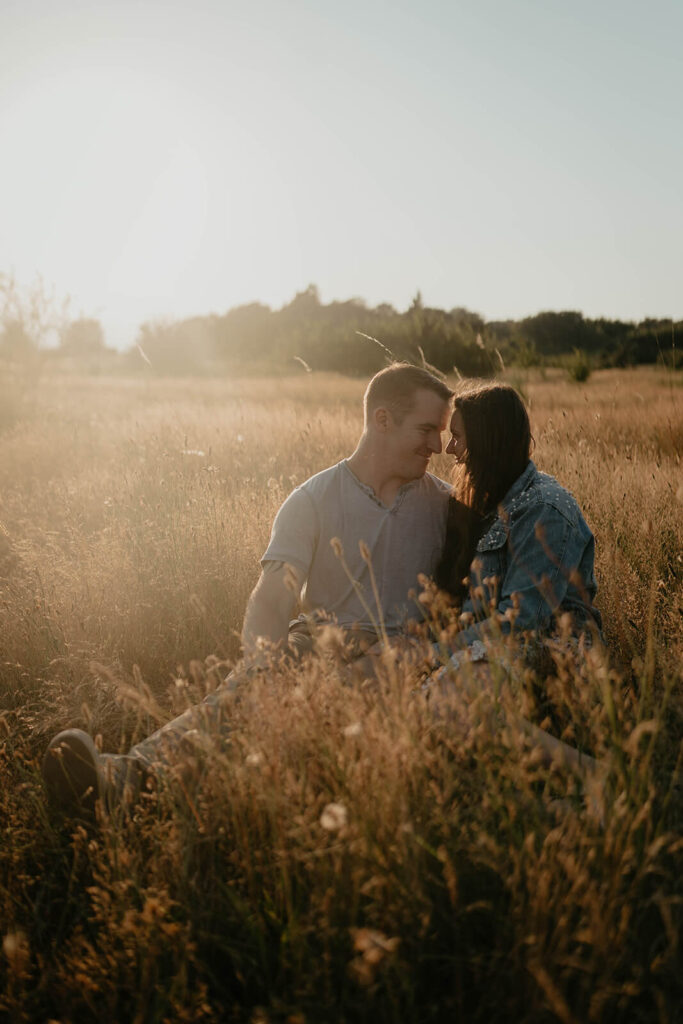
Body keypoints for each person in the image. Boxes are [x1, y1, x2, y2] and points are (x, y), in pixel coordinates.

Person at [42, 363, 454, 816]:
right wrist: (267, 673)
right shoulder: (313, 500)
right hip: (319, 639)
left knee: (334, 692)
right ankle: (126, 779)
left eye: (440, 432)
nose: (438, 445)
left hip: (405, 653)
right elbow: (273, 597)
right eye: (427, 429)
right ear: (382, 421)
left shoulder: (447, 506)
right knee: (245, 691)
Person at [427, 381, 605, 786]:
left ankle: (594, 777)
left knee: (450, 699)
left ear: (489, 440)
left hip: (554, 649)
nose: (449, 449)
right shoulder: (491, 499)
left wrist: (436, 653)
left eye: (457, 436)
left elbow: (522, 620)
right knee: (431, 710)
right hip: (494, 646)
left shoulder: (544, 507)